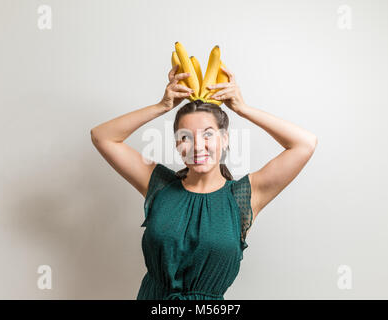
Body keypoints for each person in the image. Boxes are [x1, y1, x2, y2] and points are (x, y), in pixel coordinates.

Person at [90, 64, 318, 299]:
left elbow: (304, 144)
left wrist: (242, 108)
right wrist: (163, 106)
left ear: (224, 138)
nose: (198, 146)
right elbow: (103, 136)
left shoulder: (243, 197)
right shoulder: (159, 185)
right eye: (185, 137)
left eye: (208, 134)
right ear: (177, 144)